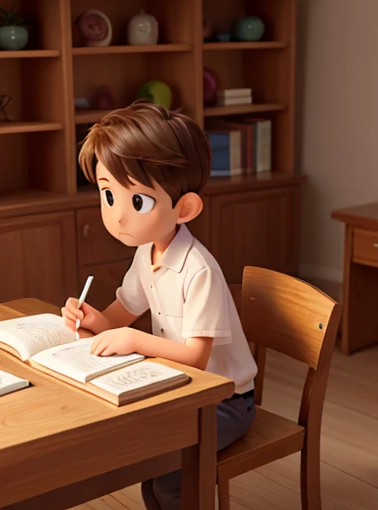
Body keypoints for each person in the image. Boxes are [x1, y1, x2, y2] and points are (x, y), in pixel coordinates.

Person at [61, 100, 257, 510]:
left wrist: (133, 340)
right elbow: (119, 315)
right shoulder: (146, 253)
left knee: (168, 471)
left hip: (224, 403)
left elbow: (196, 358)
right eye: (107, 194)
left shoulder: (198, 269)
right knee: (148, 466)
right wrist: (91, 319)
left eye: (138, 203)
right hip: (181, 390)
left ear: (183, 208)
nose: (117, 217)